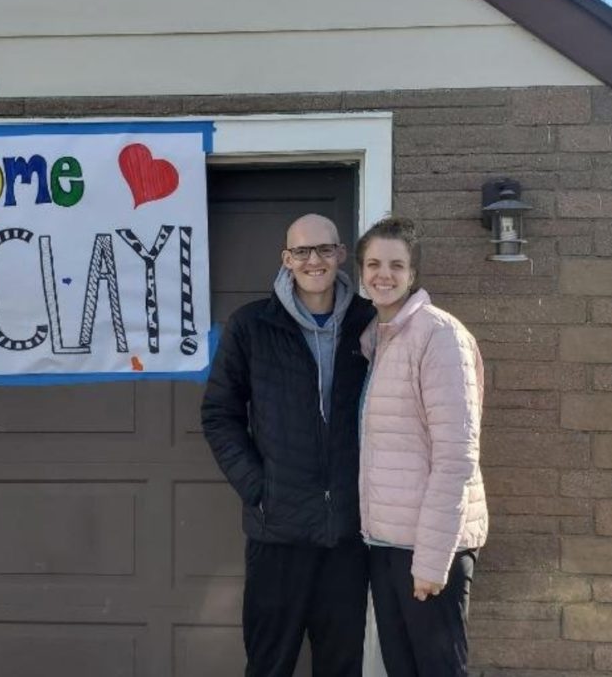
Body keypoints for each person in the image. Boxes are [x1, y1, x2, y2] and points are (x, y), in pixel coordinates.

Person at [201, 213, 375, 677]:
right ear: (286, 259)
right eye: (301, 251)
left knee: (341, 665)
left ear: (341, 255)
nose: (313, 260)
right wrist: (259, 488)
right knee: (269, 663)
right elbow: (219, 414)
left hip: (348, 533)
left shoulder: (371, 321)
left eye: (324, 249)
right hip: (276, 532)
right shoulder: (251, 326)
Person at [355, 216, 488, 677]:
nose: (383, 274)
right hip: (387, 543)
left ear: (413, 274)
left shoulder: (438, 335)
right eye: (373, 264)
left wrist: (432, 561)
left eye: (396, 264)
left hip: (429, 550)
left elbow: (456, 457)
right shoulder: (380, 340)